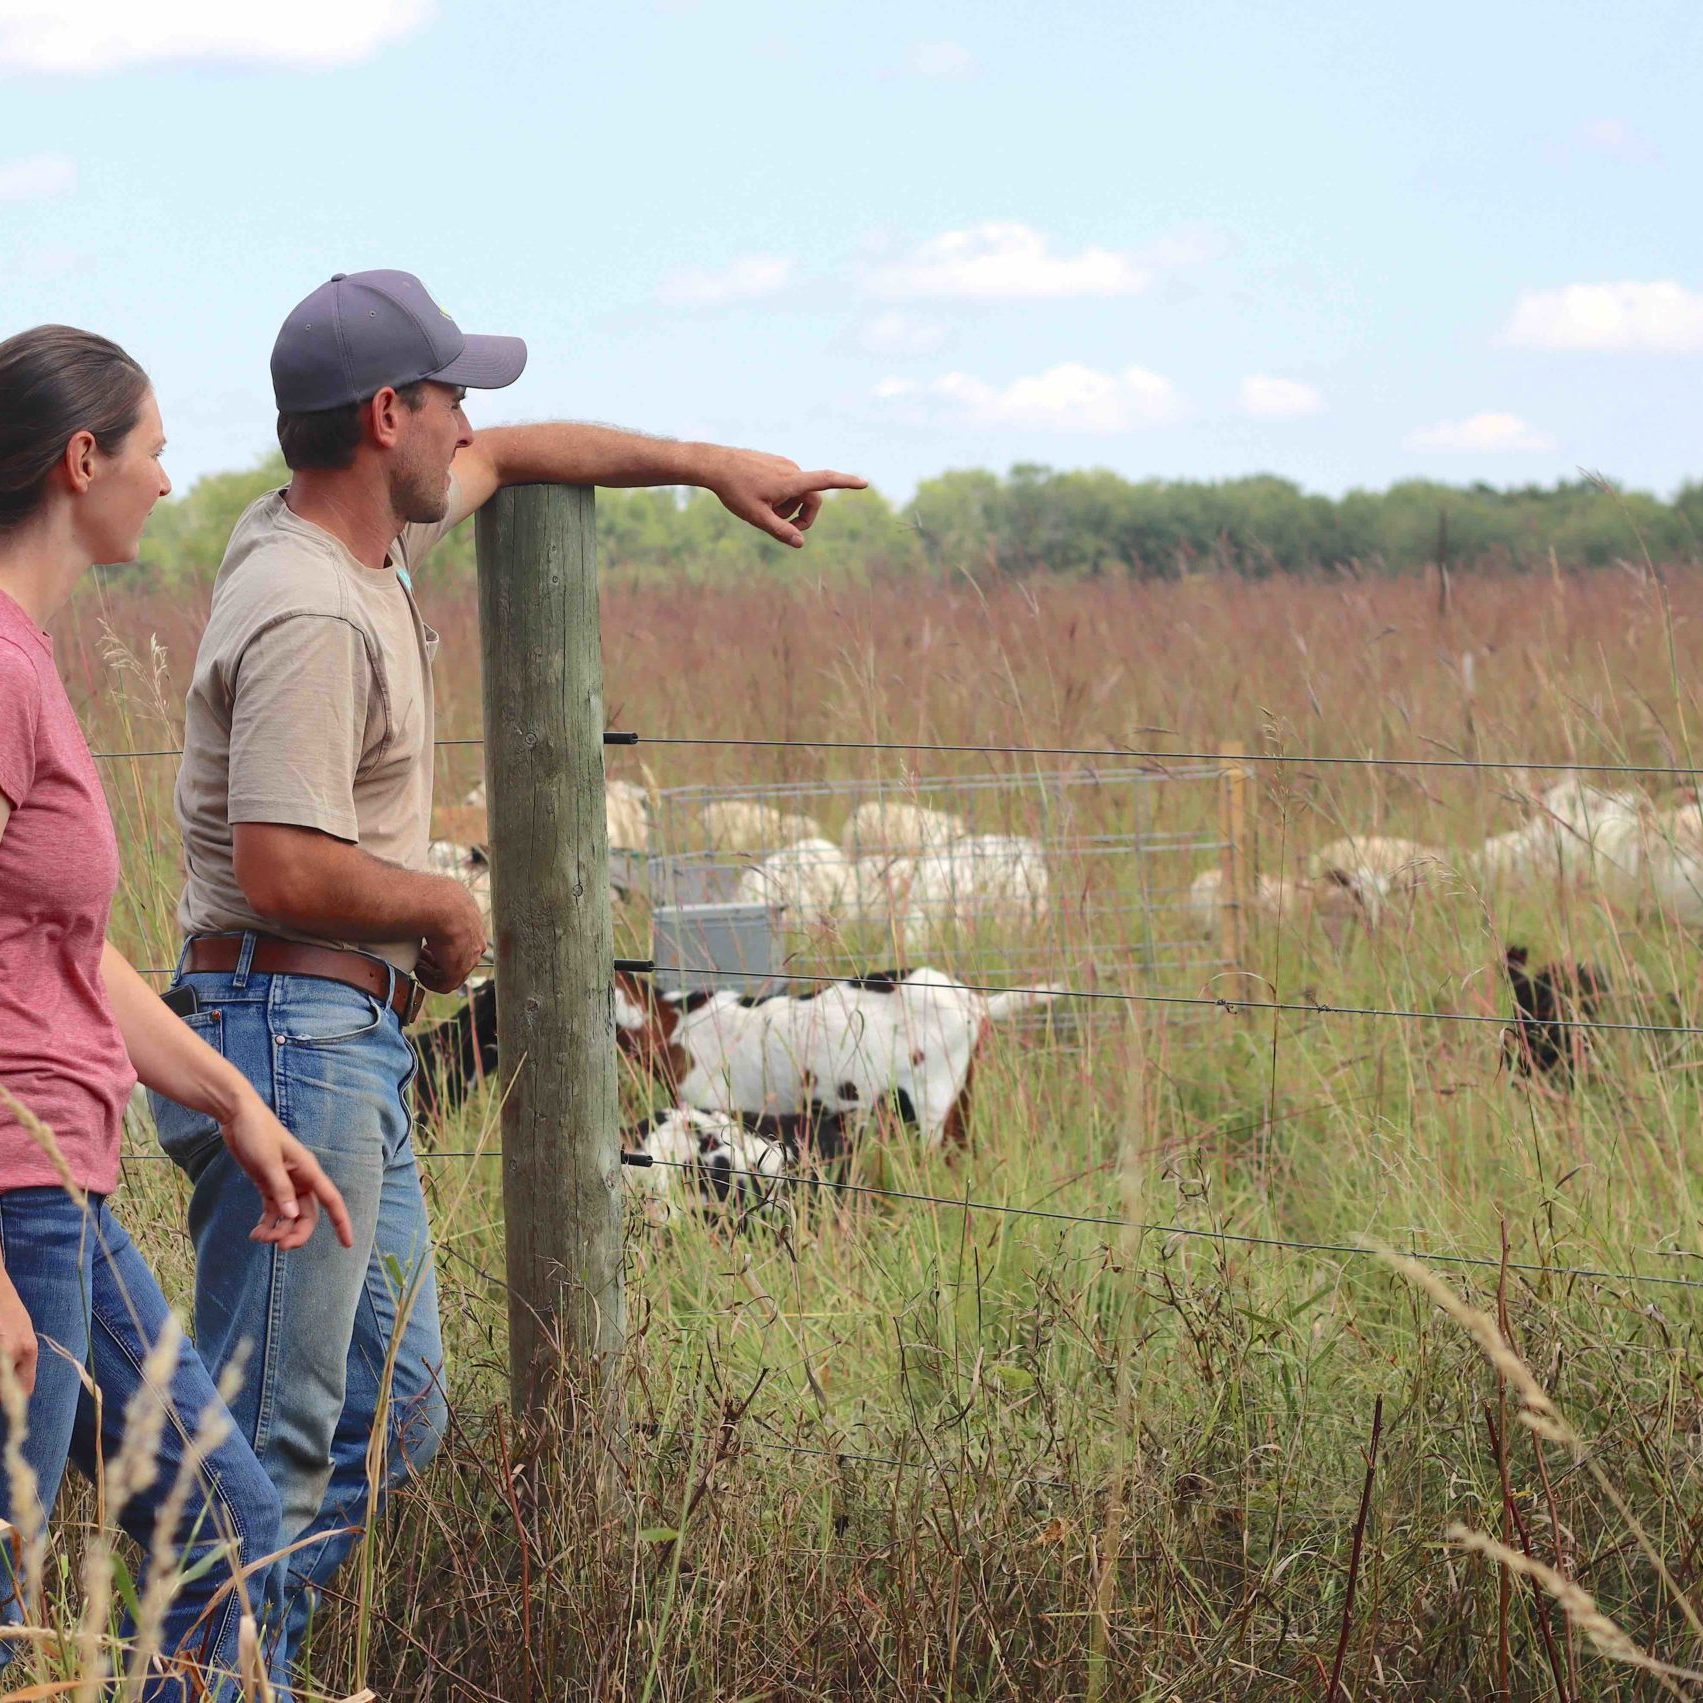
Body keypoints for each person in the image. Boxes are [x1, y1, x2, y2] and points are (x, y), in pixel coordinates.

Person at [151, 268, 866, 1667]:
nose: (470, 419)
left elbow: (520, 455)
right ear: (385, 415)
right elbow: (285, 861)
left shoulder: (339, 529)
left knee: (392, 1412)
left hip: (331, 1036)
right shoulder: (310, 606)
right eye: (450, 396)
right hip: (289, 1033)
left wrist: (711, 466)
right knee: (277, 1444)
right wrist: (440, 909)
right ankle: (210, 1675)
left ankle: (235, 1655)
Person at [0, 324, 354, 1700]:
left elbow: (68, 953)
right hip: (13, 1200)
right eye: (150, 449)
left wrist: (233, 1099)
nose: (165, 476)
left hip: (67, 1199)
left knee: (225, 1534)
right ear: (79, 460)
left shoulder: (31, 659)